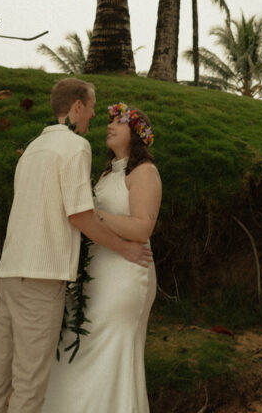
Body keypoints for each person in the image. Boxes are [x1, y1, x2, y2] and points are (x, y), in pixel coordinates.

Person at [0, 78, 152, 413]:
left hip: (8, 274)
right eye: (92, 107)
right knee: (30, 384)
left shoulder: (31, 149)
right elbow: (81, 217)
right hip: (41, 278)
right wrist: (125, 249)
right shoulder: (75, 147)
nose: (94, 115)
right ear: (77, 107)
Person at [42, 102, 161, 413]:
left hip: (124, 273)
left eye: (118, 123)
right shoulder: (109, 172)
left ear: (136, 134)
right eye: (109, 121)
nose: (109, 126)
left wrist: (94, 215)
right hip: (95, 275)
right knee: (77, 346)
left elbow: (142, 227)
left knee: (107, 348)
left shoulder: (144, 172)